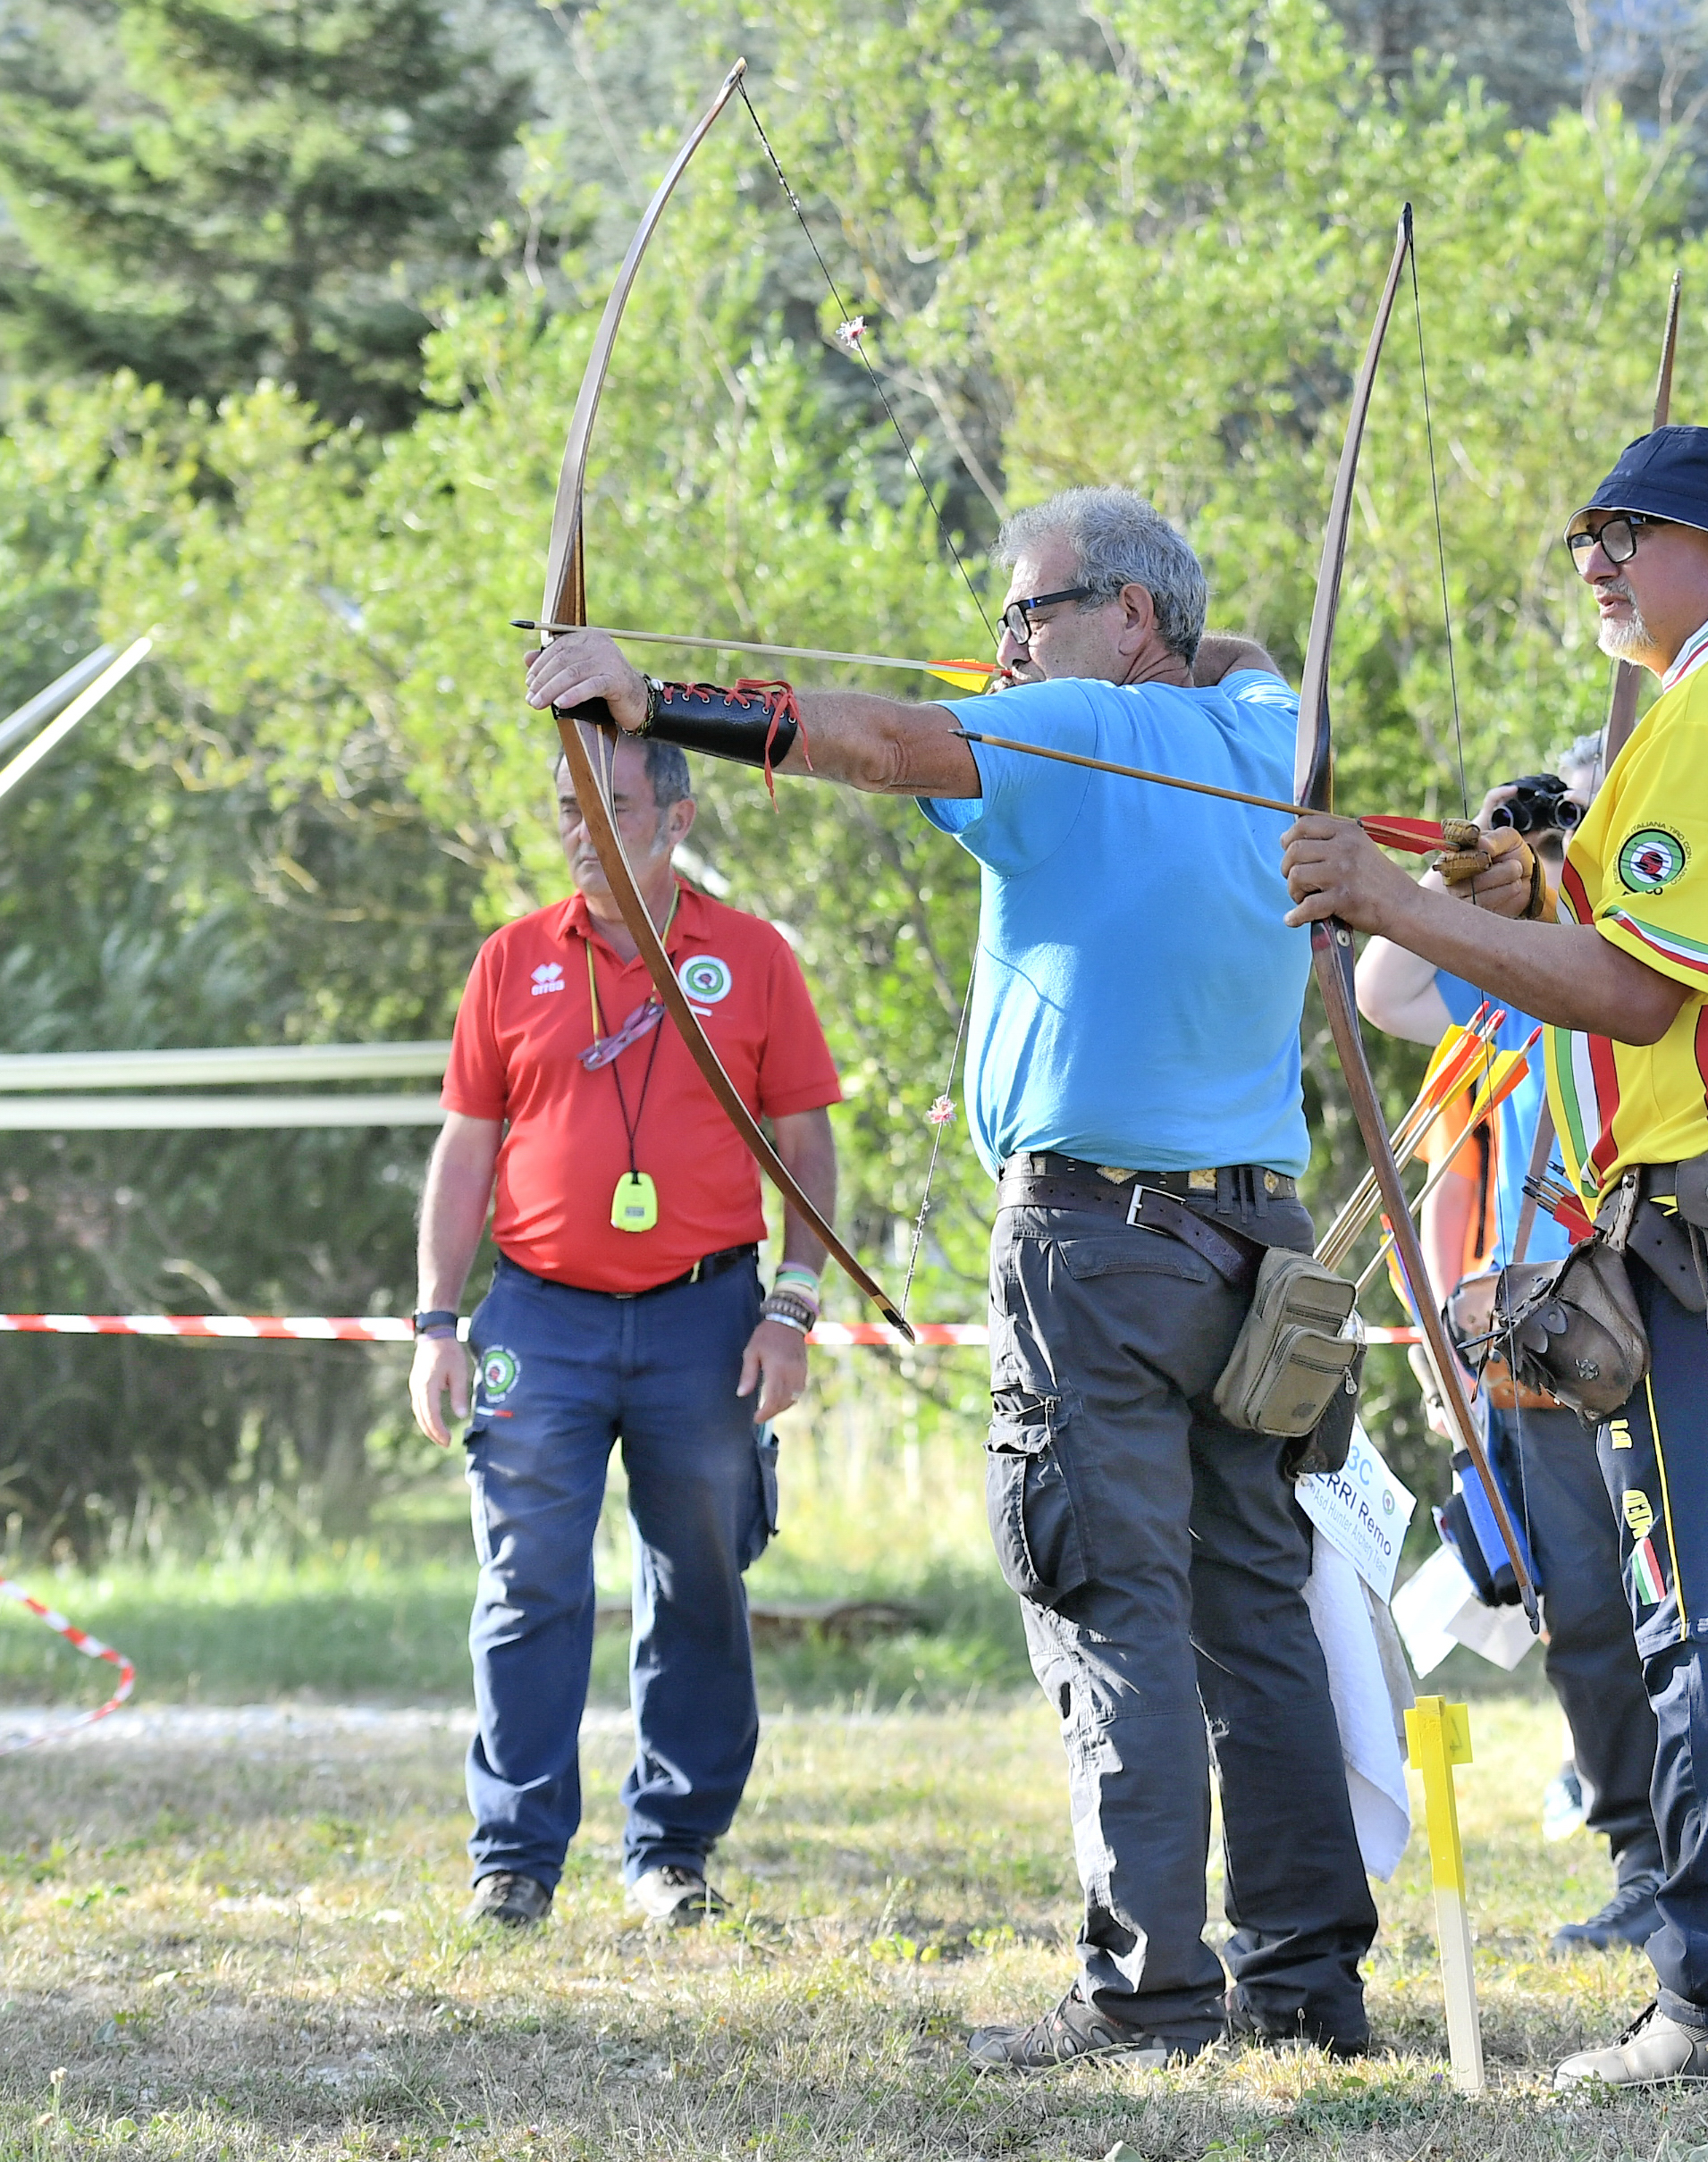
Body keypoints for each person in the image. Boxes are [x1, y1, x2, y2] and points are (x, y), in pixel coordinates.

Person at [523, 486, 1377, 2069]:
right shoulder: (1269, 731)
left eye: (1030, 611)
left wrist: (657, 706)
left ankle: (1147, 1992)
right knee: (1252, 1611)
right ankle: (1308, 1984)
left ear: (1125, 622)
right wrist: (1152, 649)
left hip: (1100, 1251)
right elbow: (1242, 647)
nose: (1004, 646)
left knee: (1114, 1604)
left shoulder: (1067, 743)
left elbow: (880, 743)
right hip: (1255, 1243)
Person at [1283, 425, 1708, 2091]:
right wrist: (1538, 875)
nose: (1597, 558)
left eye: (1636, 531)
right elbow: (1702, 925)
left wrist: (1389, 902)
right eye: (1589, 532)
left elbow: (1635, 992)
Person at [1358, 746, 1708, 1973]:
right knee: (1587, 1619)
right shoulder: (1516, 984)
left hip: (1685, 1314)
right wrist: (1478, 855)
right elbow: (1384, 984)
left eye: (1596, 819)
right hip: (1548, 1341)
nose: (1573, 840)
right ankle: (1646, 1860)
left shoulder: (1684, 962)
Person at [409, 731, 838, 1931]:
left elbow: (806, 1149)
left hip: (706, 1315)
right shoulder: (511, 961)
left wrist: (791, 1310)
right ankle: (515, 1857)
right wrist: (437, 1321)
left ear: (680, 818)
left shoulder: (752, 961)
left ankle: (673, 1850)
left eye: (612, 809)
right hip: (537, 1318)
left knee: (697, 1581)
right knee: (526, 1585)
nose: (582, 835)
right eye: (565, 810)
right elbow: (464, 1152)